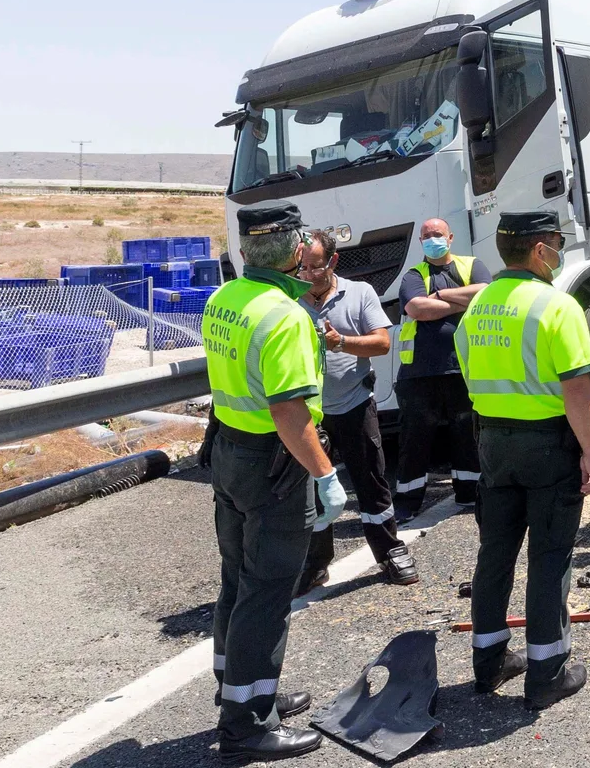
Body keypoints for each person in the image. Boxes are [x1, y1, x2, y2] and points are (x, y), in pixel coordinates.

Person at [200, 201, 345, 762]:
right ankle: (247, 726)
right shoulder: (284, 316)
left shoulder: (225, 298)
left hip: (230, 451)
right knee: (267, 591)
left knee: (237, 580)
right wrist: (326, 475)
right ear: (294, 251)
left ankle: (240, 688)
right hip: (273, 464)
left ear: (244, 249)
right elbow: (290, 413)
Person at [457, 211, 590, 711]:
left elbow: (470, 372)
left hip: (493, 445)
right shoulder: (555, 306)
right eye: (557, 243)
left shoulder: (477, 308)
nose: (560, 251)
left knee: (494, 554)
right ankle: (548, 672)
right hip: (547, 446)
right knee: (548, 557)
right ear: (540, 250)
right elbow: (578, 387)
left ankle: (489, 663)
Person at [294, 228, 419, 593]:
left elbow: (382, 343)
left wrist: (342, 342)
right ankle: (315, 564)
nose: (308, 275)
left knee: (371, 481)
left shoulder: (360, 293)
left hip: (353, 405)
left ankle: (389, 551)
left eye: (315, 268)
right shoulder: (290, 301)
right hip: (310, 413)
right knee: (314, 489)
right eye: (301, 268)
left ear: (332, 262)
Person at [393, 217, 492, 520]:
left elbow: (486, 291)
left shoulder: (471, 265)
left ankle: (469, 494)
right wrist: (461, 300)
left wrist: (438, 296)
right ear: (420, 242)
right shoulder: (413, 274)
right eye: (426, 236)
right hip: (420, 374)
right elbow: (417, 309)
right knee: (415, 441)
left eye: (437, 234)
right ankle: (407, 504)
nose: (432, 239)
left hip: (463, 369)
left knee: (467, 435)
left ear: (450, 238)